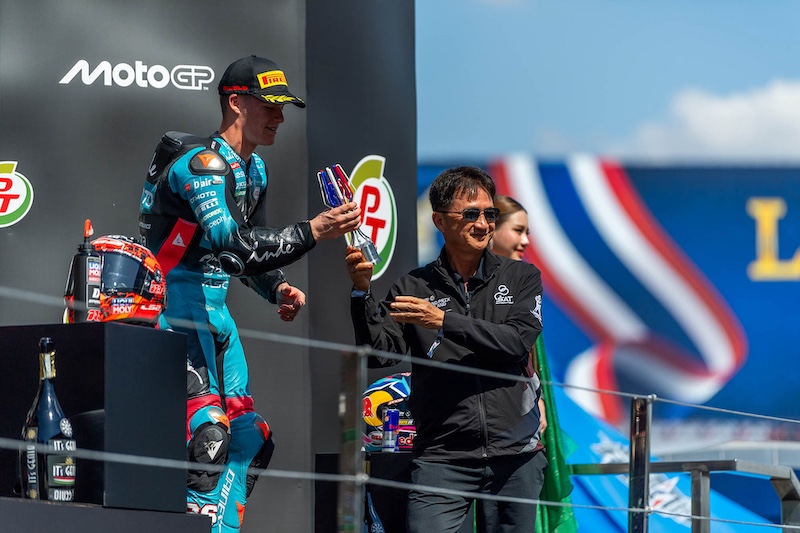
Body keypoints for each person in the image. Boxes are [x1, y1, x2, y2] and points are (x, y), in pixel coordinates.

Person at [138, 55, 362, 532]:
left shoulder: (254, 169)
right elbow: (229, 242)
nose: (279, 117)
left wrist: (276, 287)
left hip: (216, 312)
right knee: (209, 434)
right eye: (270, 106)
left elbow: (244, 258)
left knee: (249, 435)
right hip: (175, 310)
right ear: (237, 102)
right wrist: (313, 230)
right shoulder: (201, 165)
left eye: (283, 107)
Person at [345, 166, 547, 533]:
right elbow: (381, 354)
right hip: (441, 456)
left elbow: (515, 343)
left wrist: (442, 321)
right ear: (439, 220)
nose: (483, 224)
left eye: (490, 214)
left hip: (515, 456)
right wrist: (362, 293)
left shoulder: (522, 277)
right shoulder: (413, 286)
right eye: (470, 214)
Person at [491, 196, 579, 533]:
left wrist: (537, 400)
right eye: (518, 230)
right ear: (490, 229)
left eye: (527, 232)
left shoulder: (523, 282)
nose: (526, 241)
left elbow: (529, 357)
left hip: (525, 424)